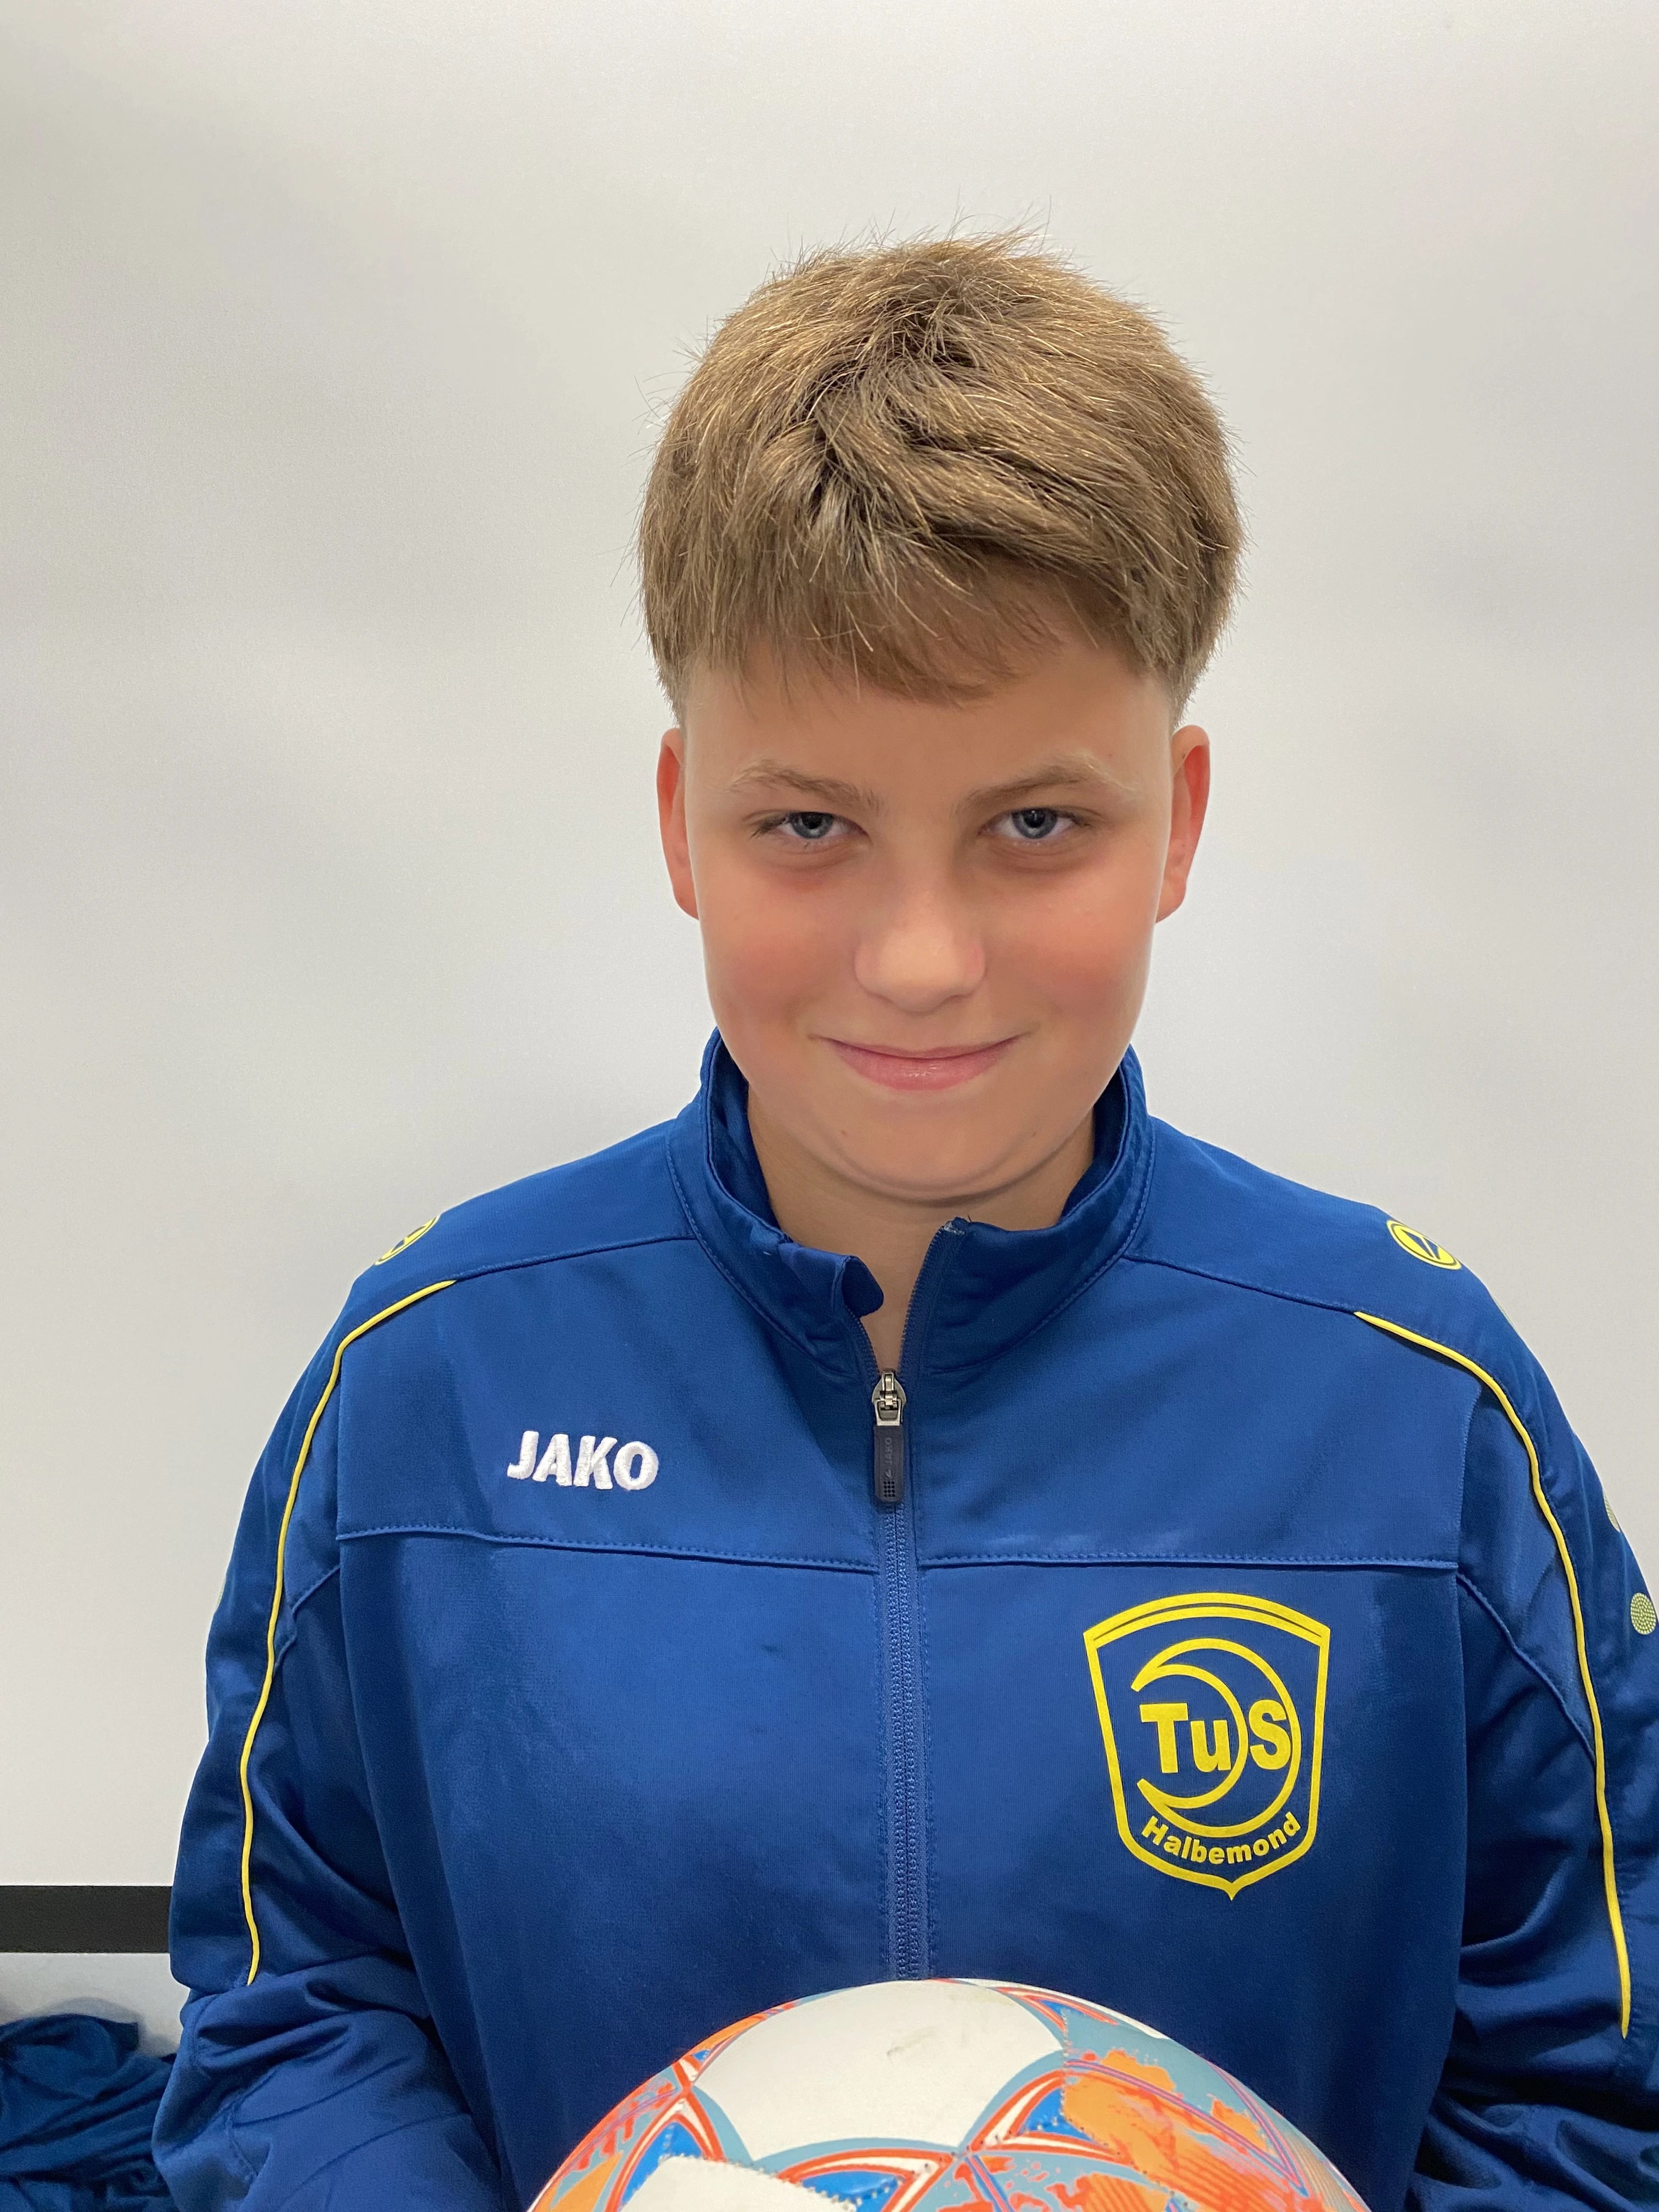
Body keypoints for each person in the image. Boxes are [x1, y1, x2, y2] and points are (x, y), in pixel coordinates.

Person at [154, 235, 1658, 2210]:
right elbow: (301, 2009)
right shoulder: (425, 1384)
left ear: (1180, 819)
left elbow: (1591, 2082)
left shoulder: (1414, 1407)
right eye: (810, 826)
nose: (925, 958)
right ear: (681, 818)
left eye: (1037, 825)